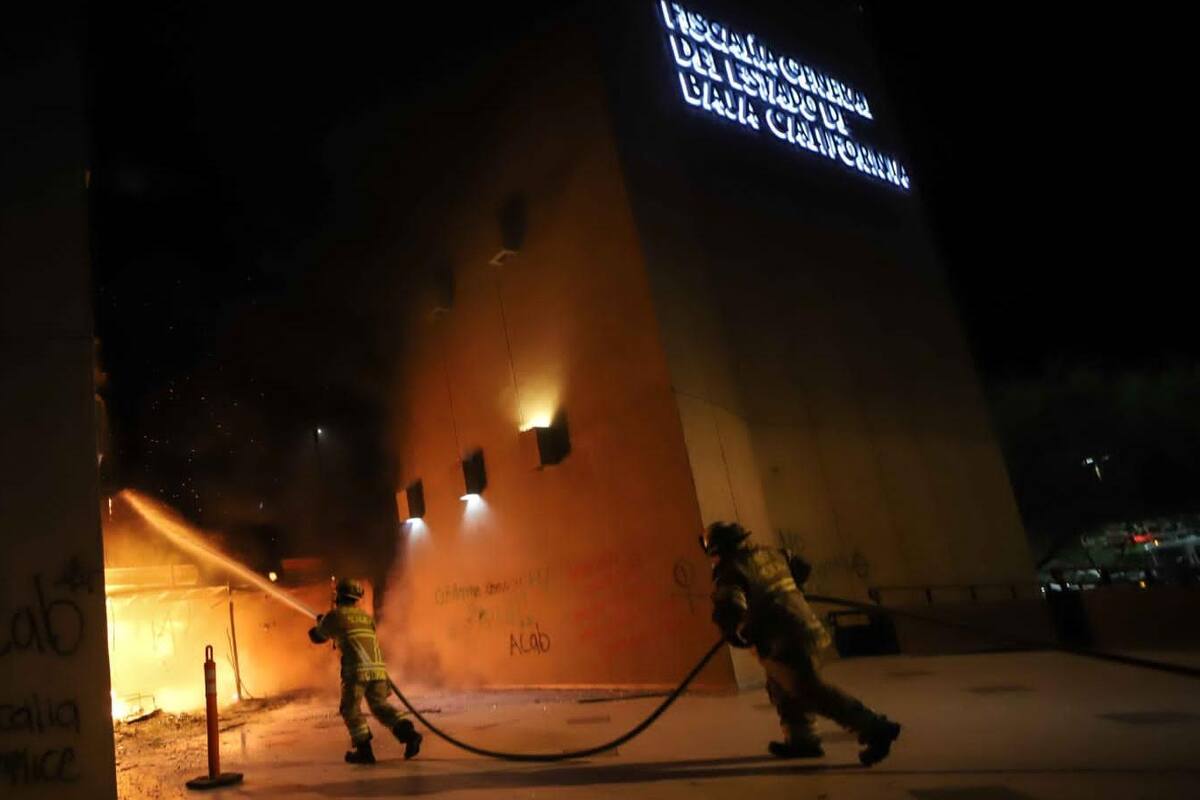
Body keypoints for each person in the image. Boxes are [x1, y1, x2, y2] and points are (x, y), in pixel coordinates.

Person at [701, 522, 901, 765]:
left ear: (716, 549)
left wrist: (731, 631)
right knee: (782, 688)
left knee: (809, 689)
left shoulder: (731, 569)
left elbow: (730, 607)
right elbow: (802, 567)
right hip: (802, 627)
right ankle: (802, 740)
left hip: (784, 638)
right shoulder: (774, 554)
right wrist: (794, 589)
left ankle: (874, 727)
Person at [308, 577, 422, 764]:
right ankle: (410, 735)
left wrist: (321, 623)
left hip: (356, 671)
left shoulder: (334, 616)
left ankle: (364, 751)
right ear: (356, 598)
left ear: (338, 596)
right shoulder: (366, 617)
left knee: (350, 710)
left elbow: (317, 637)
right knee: (380, 707)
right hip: (378, 670)